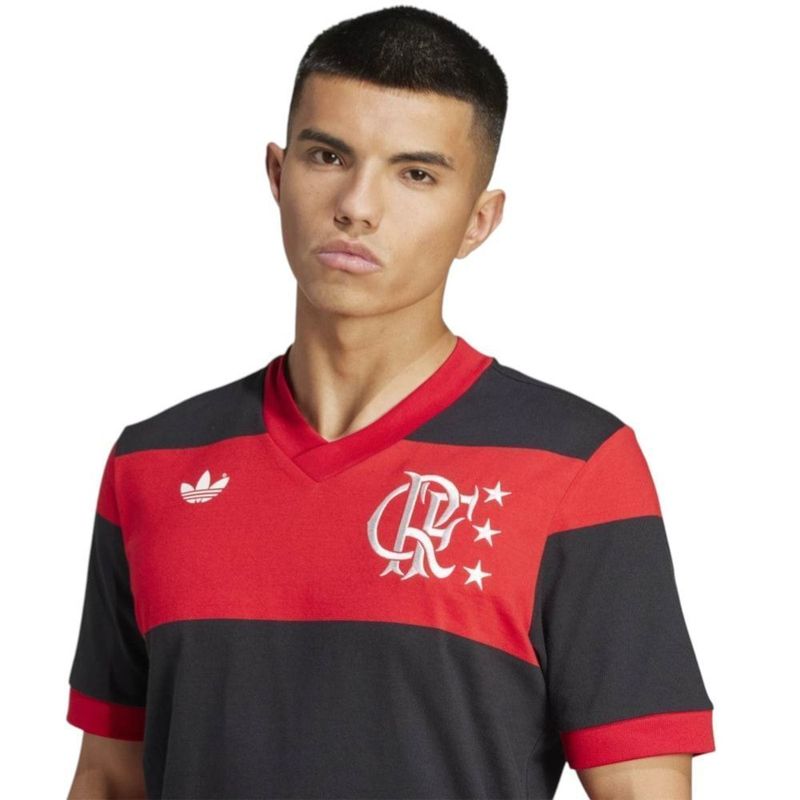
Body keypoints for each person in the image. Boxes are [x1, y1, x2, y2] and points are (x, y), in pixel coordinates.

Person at [66, 6, 715, 799]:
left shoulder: (577, 467)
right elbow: (108, 777)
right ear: (277, 175)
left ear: (478, 221)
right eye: (328, 155)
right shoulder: (153, 463)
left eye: (416, 174)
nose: (357, 205)